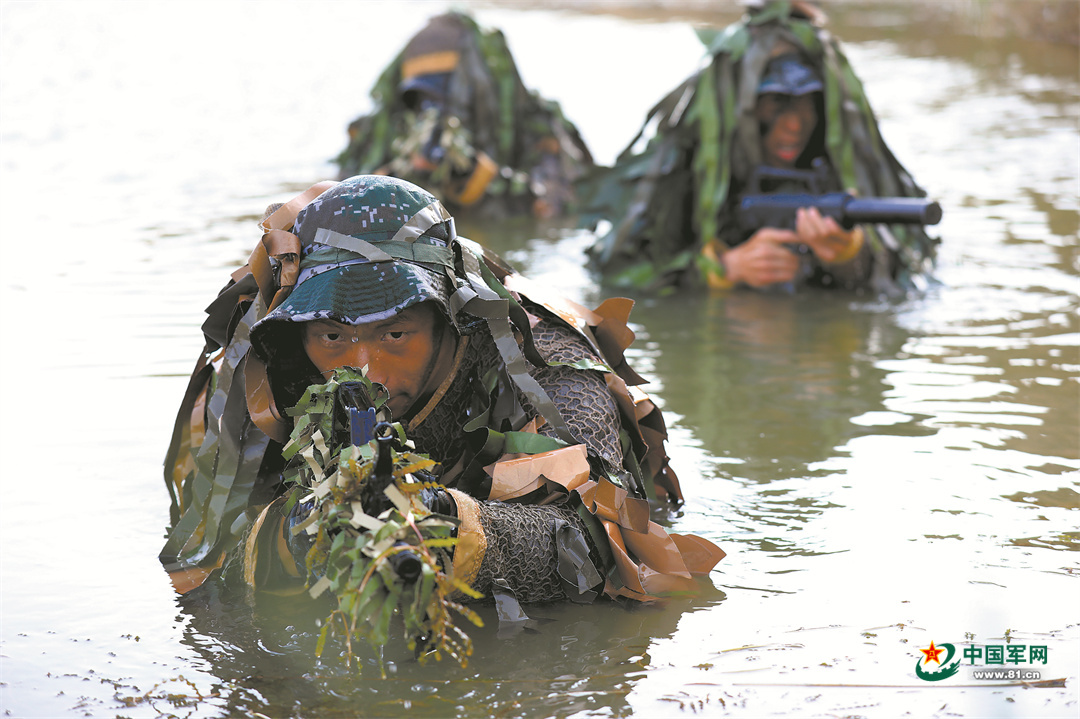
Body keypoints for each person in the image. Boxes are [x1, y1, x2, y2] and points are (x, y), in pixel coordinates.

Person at [160, 175, 724, 614]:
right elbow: (203, 543)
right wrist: (293, 533)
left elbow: (600, 543)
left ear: (452, 321)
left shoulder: (547, 365)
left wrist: (443, 524)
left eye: (395, 335)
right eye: (333, 337)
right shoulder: (267, 364)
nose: (366, 371)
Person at [578, 0, 939, 295]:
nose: (794, 124)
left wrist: (847, 256)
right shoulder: (690, 170)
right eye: (776, 103)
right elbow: (613, 273)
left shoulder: (838, 169)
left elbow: (909, 273)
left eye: (807, 104)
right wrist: (722, 269)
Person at [335, 11, 594, 220]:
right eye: (419, 99)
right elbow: (342, 197)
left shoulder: (541, 133)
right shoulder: (380, 135)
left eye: (450, 99)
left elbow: (557, 204)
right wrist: (394, 179)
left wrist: (477, 175)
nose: (433, 113)